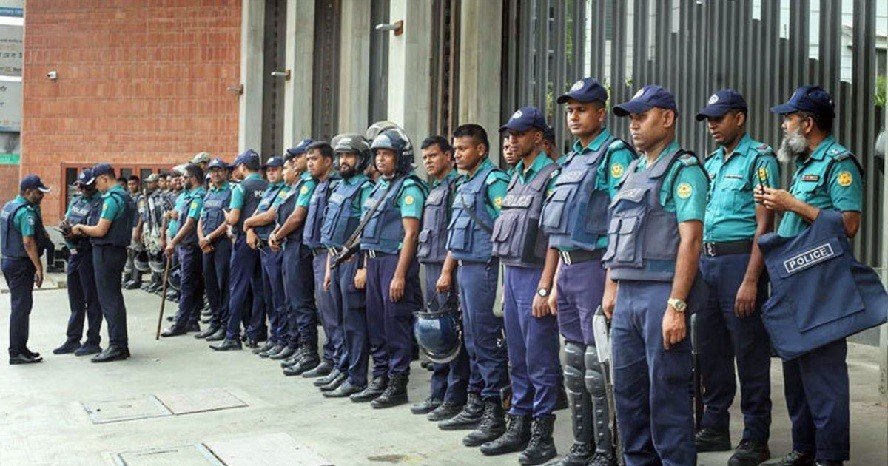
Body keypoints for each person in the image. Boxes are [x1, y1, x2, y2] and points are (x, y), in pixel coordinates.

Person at [755, 86, 863, 466]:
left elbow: (849, 225)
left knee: (824, 375)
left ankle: (829, 457)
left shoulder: (839, 163)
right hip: (793, 282)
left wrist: (793, 204)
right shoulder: (804, 165)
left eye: (788, 118)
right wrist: (777, 204)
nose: (783, 125)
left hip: (821, 286)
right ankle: (805, 450)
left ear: (807, 123)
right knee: (796, 371)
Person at [605, 86, 709, 465]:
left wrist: (676, 305)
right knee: (628, 396)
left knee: (667, 396)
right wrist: (611, 286)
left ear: (666, 118)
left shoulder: (684, 170)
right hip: (626, 296)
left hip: (660, 296)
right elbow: (617, 233)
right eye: (631, 118)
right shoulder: (632, 170)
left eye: (641, 117)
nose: (633, 125)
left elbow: (691, 241)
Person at [541, 77, 636, 466]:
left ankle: (604, 450)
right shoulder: (568, 161)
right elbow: (556, 230)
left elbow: (622, 221)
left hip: (595, 268)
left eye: (582, 110)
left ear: (601, 113)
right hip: (567, 272)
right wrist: (551, 283)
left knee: (598, 368)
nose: (574, 117)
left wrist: (612, 282)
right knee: (573, 363)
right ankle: (581, 446)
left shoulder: (615, 155)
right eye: (570, 111)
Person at [694, 89, 777, 466]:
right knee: (711, 351)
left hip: (740, 263)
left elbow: (765, 225)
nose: (712, 125)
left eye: (719, 118)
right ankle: (715, 427)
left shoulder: (759, 158)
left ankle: (756, 438)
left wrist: (751, 279)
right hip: (708, 264)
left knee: (749, 352)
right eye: (708, 119)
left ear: (739, 118)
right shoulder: (711, 162)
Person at [482, 107, 561, 465]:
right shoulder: (515, 177)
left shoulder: (552, 176)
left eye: (518, 134)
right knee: (516, 356)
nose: (511, 140)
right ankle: (520, 423)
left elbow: (555, 237)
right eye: (508, 134)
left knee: (539, 358)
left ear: (538, 137)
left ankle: (543, 434)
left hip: (534, 275)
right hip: (512, 275)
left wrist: (545, 287)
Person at [435, 124, 511, 448]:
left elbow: (509, 223)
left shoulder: (494, 181)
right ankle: (476, 403)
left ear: (481, 150)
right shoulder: (465, 183)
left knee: (487, 341)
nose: (457, 155)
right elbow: (456, 234)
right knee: (471, 342)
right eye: (455, 149)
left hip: (486, 270)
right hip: (466, 270)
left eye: (463, 149)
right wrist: (447, 270)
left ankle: (495, 413)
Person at [350, 128, 427, 407]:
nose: (381, 159)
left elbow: (411, 234)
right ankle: (379, 377)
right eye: (378, 154)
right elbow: (368, 233)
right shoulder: (379, 186)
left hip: (394, 261)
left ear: (401, 157)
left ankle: (397, 384)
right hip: (374, 261)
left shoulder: (409, 188)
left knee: (395, 325)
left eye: (387, 154)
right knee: (376, 323)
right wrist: (364, 266)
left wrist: (399, 275)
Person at [412, 136, 472, 421]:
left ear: (448, 156)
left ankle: (454, 397)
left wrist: (448, 270)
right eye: (425, 157)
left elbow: (456, 232)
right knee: (435, 335)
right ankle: (437, 393)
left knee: (452, 334)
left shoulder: (456, 187)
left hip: (448, 270)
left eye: (434, 155)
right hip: (431, 266)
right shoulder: (435, 188)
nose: (428, 161)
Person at [318, 133, 375, 396]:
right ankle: (342, 369)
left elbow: (367, 231)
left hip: (353, 260)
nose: (343, 161)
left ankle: (356, 377)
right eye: (340, 156)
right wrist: (329, 268)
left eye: (349, 156)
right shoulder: (339, 187)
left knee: (354, 323)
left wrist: (363, 266)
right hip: (336, 260)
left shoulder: (365, 189)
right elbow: (332, 233)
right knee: (339, 320)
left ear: (361, 159)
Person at [72, 163, 137, 363]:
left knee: (109, 299)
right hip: (117, 250)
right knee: (114, 298)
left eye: (97, 183)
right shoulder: (126, 197)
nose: (96, 187)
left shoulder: (111, 199)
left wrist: (80, 227)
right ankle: (120, 344)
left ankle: (117, 345)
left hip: (106, 252)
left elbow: (100, 230)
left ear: (104, 178)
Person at [270, 140, 320, 375]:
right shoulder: (298, 185)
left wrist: (278, 234)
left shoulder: (309, 184)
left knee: (301, 302)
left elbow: (298, 216)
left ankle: (308, 352)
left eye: (298, 157)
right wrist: (277, 233)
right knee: (291, 300)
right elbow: (284, 214)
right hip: (290, 245)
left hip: (300, 247)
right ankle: (298, 346)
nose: (295, 161)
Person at [210, 149, 269, 351]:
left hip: (244, 240)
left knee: (237, 288)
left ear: (243, 167)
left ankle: (232, 335)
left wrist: (226, 215)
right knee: (259, 288)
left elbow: (234, 218)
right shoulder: (268, 186)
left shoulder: (241, 188)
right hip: (263, 240)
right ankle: (255, 333)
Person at [299, 141, 342, 379]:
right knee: (324, 311)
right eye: (308, 159)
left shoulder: (335, 186)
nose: (310, 163)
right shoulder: (319, 186)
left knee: (332, 311)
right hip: (316, 253)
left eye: (314, 159)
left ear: (328, 161)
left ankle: (338, 362)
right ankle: (330, 357)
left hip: (329, 254)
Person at [53, 169, 104, 357]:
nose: (82, 190)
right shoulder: (76, 200)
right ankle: (72, 339)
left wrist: (78, 231)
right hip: (73, 253)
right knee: (75, 299)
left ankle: (93, 340)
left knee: (92, 299)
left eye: (86, 186)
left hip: (88, 253)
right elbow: (68, 218)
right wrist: (65, 228)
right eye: (80, 186)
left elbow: (97, 228)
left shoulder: (101, 202)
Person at [1, 174, 51, 365]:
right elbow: (28, 242)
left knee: (21, 306)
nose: (42, 196)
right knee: (21, 308)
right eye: (39, 192)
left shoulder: (9, 206)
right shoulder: (26, 212)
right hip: (21, 264)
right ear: (28, 192)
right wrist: (39, 268)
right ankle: (16, 352)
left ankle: (21, 348)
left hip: (9, 260)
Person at [245, 156, 290, 359]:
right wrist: (249, 228)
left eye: (275, 169)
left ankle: (282, 339)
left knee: (279, 297)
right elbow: (256, 214)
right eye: (268, 170)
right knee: (269, 297)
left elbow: (269, 216)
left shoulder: (284, 190)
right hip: (263, 247)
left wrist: (247, 224)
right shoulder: (269, 191)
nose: (271, 173)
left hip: (275, 248)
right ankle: (274, 338)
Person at [161, 164, 206, 336]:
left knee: (187, 284)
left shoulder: (198, 197)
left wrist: (173, 242)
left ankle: (181, 323)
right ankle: (191, 319)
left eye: (185, 177)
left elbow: (190, 224)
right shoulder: (186, 195)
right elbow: (180, 216)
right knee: (189, 283)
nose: (182, 180)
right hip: (183, 246)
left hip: (191, 246)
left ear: (193, 178)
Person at [196, 158, 233, 341]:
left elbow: (228, 220)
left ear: (225, 172)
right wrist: (201, 238)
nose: (216, 174)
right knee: (210, 285)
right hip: (207, 245)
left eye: (219, 170)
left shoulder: (230, 192)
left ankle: (225, 325)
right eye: (212, 171)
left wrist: (210, 237)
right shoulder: (209, 193)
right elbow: (201, 218)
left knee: (223, 285)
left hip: (222, 244)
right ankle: (215, 322)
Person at [124, 175, 143, 290]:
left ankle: (136, 279)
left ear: (138, 184)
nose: (131, 186)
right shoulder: (128, 197)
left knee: (136, 253)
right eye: (129, 184)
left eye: (133, 184)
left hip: (136, 227)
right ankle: (128, 277)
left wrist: (138, 229)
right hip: (128, 227)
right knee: (129, 253)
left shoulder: (140, 198)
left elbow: (142, 214)